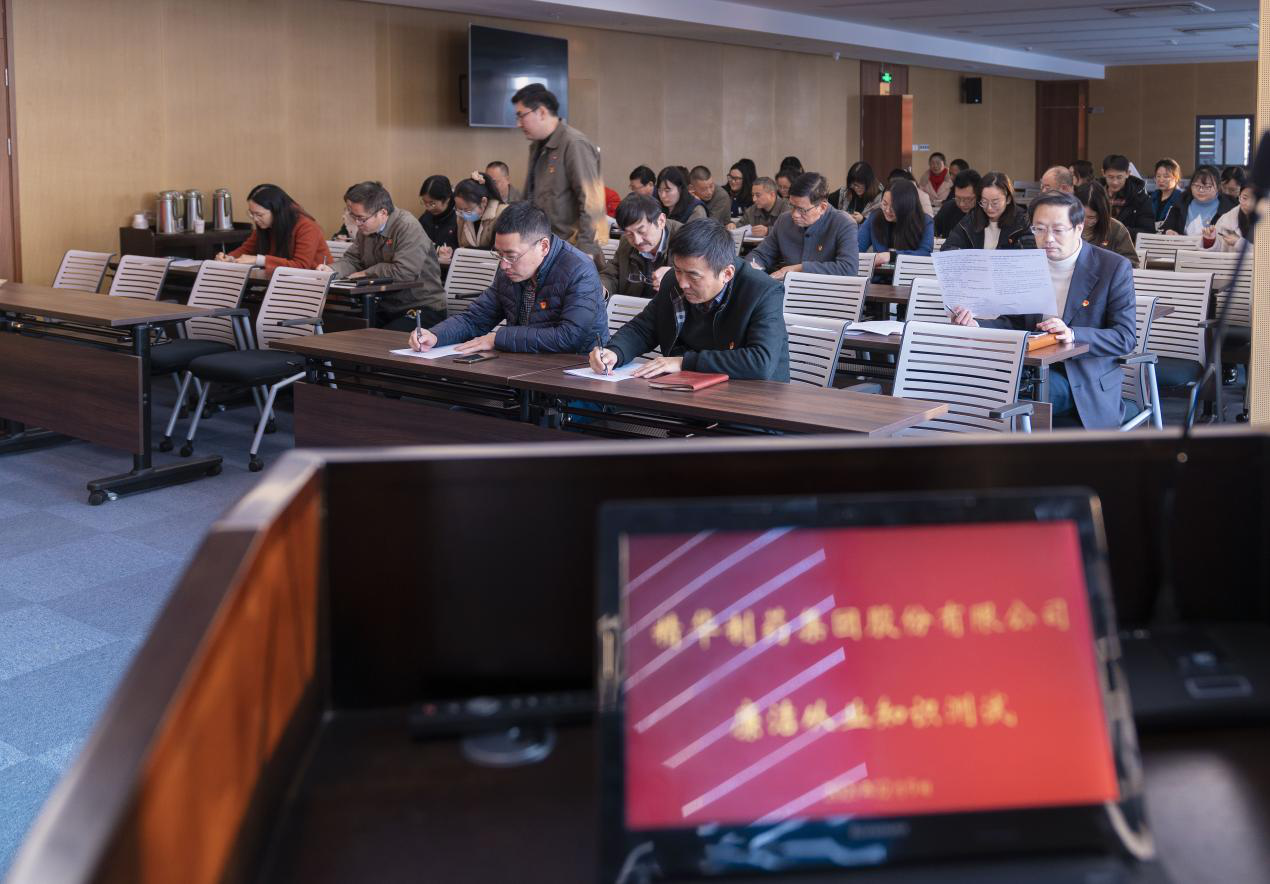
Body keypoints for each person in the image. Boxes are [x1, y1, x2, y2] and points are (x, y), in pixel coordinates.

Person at [952, 192, 1136, 430]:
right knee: (967, 385)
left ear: (1078, 228)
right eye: (1039, 229)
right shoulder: (1026, 264)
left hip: (1083, 377)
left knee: (1009, 397)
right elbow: (1014, 323)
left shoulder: (1112, 267)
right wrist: (976, 325)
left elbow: (1125, 337)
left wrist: (1072, 334)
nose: (1047, 239)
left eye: (1058, 230)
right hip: (1030, 367)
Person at [591, 219, 789, 381]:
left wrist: (683, 362)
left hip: (753, 400)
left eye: (693, 275)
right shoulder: (673, 281)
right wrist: (614, 352)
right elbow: (644, 328)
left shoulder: (763, 291)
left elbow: (760, 362)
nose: (683, 283)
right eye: (678, 270)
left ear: (726, 274)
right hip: (687, 391)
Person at [408, 202, 605, 354]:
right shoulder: (509, 270)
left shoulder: (579, 271)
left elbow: (569, 337)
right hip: (523, 365)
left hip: (576, 372)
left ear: (543, 247)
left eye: (511, 255)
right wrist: (435, 335)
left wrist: (498, 338)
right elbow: (475, 319)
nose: (503, 265)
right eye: (499, 254)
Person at [512, 82, 608, 267]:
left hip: (571, 252)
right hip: (543, 248)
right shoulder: (537, 147)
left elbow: (593, 203)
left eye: (521, 115)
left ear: (541, 112)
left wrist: (585, 252)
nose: (518, 124)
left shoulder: (574, 144)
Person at [329, 180, 445, 328]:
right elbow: (353, 259)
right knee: (339, 327)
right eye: (355, 217)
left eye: (361, 218)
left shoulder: (407, 227)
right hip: (386, 306)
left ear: (383, 213)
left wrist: (367, 273)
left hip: (421, 306)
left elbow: (404, 271)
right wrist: (331, 271)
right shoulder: (367, 229)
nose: (357, 223)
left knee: (380, 337)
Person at [748, 172, 859, 279]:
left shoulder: (843, 223)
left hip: (828, 290)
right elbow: (760, 255)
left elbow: (848, 269)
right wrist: (754, 268)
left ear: (822, 207)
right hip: (788, 288)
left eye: (801, 210)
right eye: (792, 206)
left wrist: (799, 269)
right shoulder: (784, 221)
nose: (794, 215)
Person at [216, 183, 331, 272]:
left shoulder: (307, 227)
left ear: (276, 211)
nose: (255, 219)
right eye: (251, 214)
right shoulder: (265, 226)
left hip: (314, 284)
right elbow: (245, 249)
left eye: (259, 214)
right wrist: (229, 258)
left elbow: (301, 266)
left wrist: (259, 260)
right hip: (281, 282)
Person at [600, 193, 681, 298]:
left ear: (661, 221)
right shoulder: (626, 241)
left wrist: (675, 275)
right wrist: (602, 289)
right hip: (631, 305)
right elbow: (612, 274)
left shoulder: (685, 239)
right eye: (629, 234)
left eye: (641, 231)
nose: (637, 241)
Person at [940, 171, 1032, 251]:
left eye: (995, 203)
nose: (989, 208)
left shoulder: (1022, 222)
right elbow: (948, 247)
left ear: (1008, 199)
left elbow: (1030, 253)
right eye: (984, 202)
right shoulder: (973, 218)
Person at [857, 178, 934, 267]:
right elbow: (856, 248)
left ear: (907, 206)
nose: (887, 210)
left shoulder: (925, 221)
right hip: (879, 274)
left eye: (893, 207)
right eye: (884, 204)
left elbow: (925, 254)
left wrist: (892, 256)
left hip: (910, 273)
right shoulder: (874, 218)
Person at [1161, 165, 1236, 237]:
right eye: (1197, 185)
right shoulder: (1181, 202)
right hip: (1183, 245)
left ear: (1218, 187)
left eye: (1207, 187)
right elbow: (1166, 226)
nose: (1201, 190)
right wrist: (1169, 231)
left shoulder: (1229, 207)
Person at [1075, 182, 1138, 264]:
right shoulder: (1065, 226)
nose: (1084, 221)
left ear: (1102, 214)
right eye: (1081, 215)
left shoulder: (1116, 229)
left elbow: (1132, 262)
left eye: (1091, 217)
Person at [1100, 154, 1155, 238]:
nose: (1115, 182)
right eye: (1110, 177)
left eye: (1119, 177)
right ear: (1103, 173)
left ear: (1127, 173)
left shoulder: (1140, 198)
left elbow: (1148, 232)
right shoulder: (1094, 194)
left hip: (1127, 243)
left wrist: (1119, 231)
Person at [454, 173, 508, 251]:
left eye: (466, 210)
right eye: (460, 209)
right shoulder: (461, 218)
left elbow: (499, 250)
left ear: (483, 202)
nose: (463, 214)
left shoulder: (503, 214)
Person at [419, 175, 459, 266]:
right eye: (424, 202)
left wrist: (450, 253)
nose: (428, 208)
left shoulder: (459, 217)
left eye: (432, 203)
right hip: (429, 268)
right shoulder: (426, 216)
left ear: (447, 199)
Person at [1209, 181, 1256, 252]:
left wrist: (1239, 243)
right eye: (1244, 198)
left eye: (1254, 199)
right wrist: (1210, 240)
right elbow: (1216, 250)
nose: (1248, 204)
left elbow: (1265, 253)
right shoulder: (1225, 219)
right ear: (1239, 197)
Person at [933, 169, 980, 238]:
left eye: (967, 199)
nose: (961, 204)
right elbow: (932, 231)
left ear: (979, 194)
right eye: (958, 198)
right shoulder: (948, 208)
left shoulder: (986, 212)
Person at [1150, 158, 1184, 226]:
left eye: (1166, 176)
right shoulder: (1153, 196)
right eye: (1158, 176)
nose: (1161, 180)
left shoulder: (1182, 198)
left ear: (1176, 178)